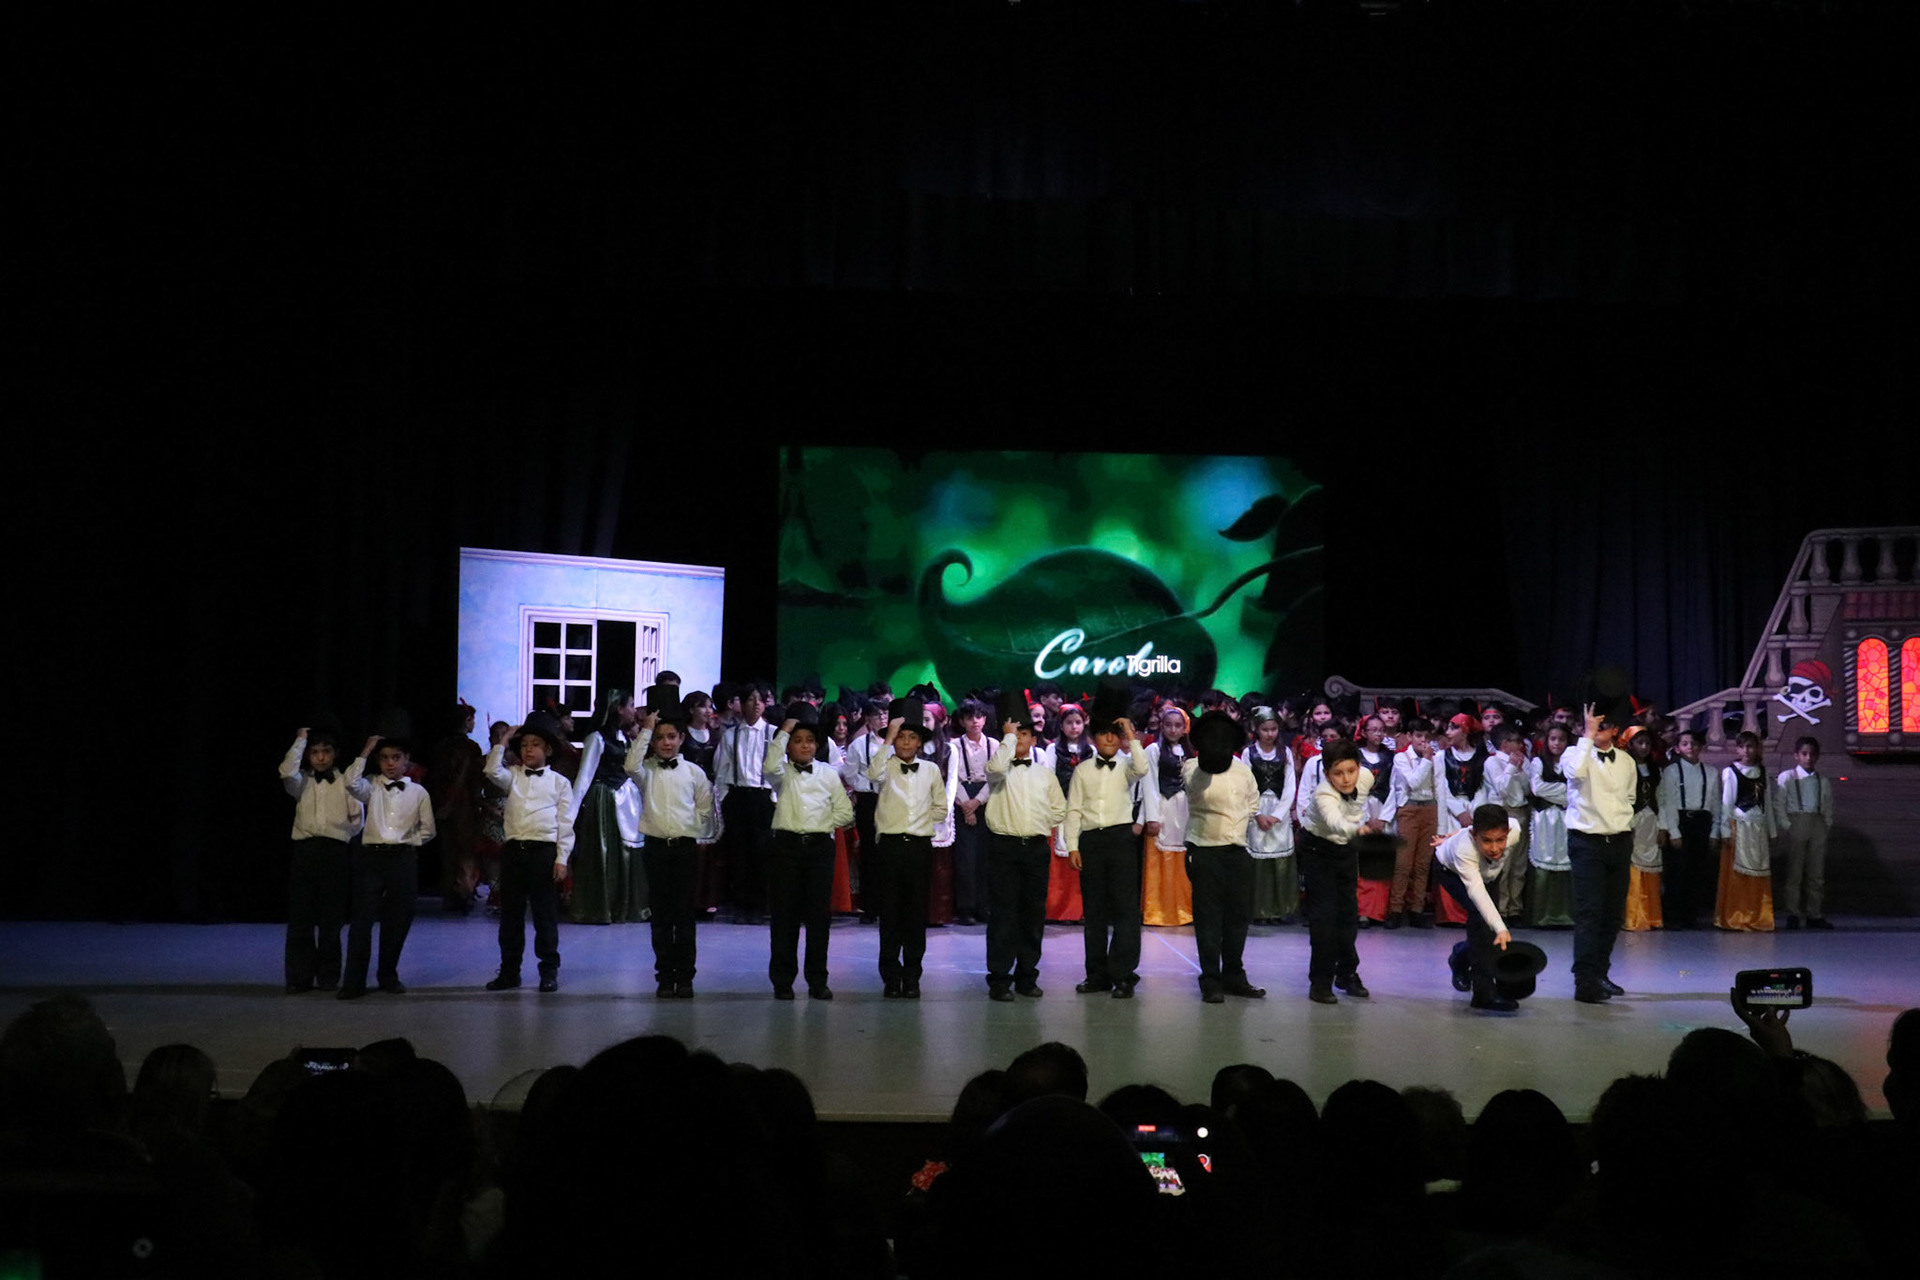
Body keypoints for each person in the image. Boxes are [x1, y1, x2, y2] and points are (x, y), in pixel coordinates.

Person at [624, 702, 716, 997]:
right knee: (661, 917)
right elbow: (630, 766)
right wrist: (646, 730)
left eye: (672, 736)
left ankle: (685, 976)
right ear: (653, 742)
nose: (666, 742)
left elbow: (704, 808)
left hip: (684, 849)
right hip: (655, 849)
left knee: (684, 916)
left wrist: (692, 831)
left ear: (682, 739)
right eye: (660, 737)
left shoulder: (694, 773)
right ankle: (664, 975)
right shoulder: (646, 771)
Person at [763, 704, 854, 999]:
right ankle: (783, 981)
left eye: (810, 741)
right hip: (786, 846)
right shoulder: (782, 774)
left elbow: (845, 812)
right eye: (798, 741)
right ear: (789, 746)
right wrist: (784, 731)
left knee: (818, 917)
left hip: (819, 848)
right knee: (784, 916)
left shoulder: (827, 774)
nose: (805, 746)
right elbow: (768, 766)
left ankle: (817, 980)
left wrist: (820, 822)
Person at [481, 711, 574, 993]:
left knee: (545, 916)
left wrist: (561, 859)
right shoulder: (513, 776)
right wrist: (503, 741)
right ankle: (509, 972)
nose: (528, 750)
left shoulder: (559, 783)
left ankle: (548, 971)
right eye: (524, 745)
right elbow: (491, 771)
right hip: (514, 852)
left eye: (535, 745)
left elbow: (565, 824)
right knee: (510, 917)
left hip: (543, 853)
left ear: (548, 750)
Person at [982, 701, 1067, 1001]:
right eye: (1014, 734)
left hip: (1034, 849)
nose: (1019, 739)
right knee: (1003, 915)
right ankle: (999, 979)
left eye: (1024, 734)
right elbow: (995, 767)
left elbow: (1059, 809)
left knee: (1032, 915)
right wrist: (1007, 737)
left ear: (1033, 738)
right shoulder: (998, 771)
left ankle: (1027, 976)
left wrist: (1037, 823)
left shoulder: (1044, 774)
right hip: (1004, 848)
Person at [340, 737, 436, 998]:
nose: (390, 763)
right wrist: (366, 750)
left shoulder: (418, 792)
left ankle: (388, 976)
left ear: (406, 760)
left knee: (397, 921)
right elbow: (349, 782)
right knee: (361, 922)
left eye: (396, 758)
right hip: (371, 858)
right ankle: (354, 982)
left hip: (402, 859)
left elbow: (428, 829)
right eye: (384, 758)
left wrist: (407, 842)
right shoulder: (371, 786)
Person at [1066, 699, 1149, 997]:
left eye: (1115, 734)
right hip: (1091, 841)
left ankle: (1123, 974)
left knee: (1126, 910)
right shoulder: (1082, 770)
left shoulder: (1127, 766)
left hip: (1121, 839)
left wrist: (1131, 735)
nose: (1111, 739)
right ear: (1093, 738)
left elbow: (1143, 767)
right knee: (1095, 912)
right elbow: (1074, 809)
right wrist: (1072, 845)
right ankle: (1097, 974)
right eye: (1104, 734)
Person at [1184, 709, 1265, 1004]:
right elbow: (1196, 790)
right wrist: (1210, 761)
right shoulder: (1193, 767)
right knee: (1208, 919)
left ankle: (1234, 975)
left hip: (1237, 850)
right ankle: (1210, 979)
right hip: (1205, 850)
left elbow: (1253, 801)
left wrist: (1244, 821)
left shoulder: (1243, 770)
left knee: (1237, 918)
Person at [868, 696, 947, 998]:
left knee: (915, 914)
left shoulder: (930, 770)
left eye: (911, 737)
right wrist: (887, 738)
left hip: (918, 847)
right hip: (889, 847)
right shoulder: (885, 765)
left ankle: (912, 976)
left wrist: (919, 820)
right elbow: (872, 775)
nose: (905, 742)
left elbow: (941, 808)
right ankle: (890, 977)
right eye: (900, 736)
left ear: (920, 742)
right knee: (890, 914)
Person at [277, 728, 365, 993]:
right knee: (300, 917)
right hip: (304, 851)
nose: (321, 758)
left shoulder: (345, 783)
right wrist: (300, 741)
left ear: (335, 754)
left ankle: (328, 975)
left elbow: (357, 821)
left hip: (335, 851)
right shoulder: (300, 782)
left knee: (331, 917)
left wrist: (338, 835)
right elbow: (286, 771)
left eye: (326, 752)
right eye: (315, 752)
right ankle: (299, 978)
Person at [1298, 739, 1383, 1004]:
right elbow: (1336, 823)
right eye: (1338, 773)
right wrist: (1358, 830)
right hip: (1317, 849)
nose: (1346, 779)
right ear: (1326, 774)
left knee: (1348, 915)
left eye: (1351, 770)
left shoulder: (1366, 777)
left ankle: (1346, 974)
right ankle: (1320, 982)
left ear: (1359, 767)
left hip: (1346, 849)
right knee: (1323, 918)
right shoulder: (1323, 795)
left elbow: (1355, 808)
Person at [1563, 701, 1637, 1002]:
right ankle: (1583, 980)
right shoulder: (1575, 753)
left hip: (1619, 841)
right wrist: (1588, 735)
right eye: (1591, 723)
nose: (1596, 728)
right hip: (1586, 841)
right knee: (1589, 913)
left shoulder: (1626, 761)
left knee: (1612, 914)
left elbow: (1629, 797)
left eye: (1602, 724)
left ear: (1615, 729)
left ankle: (1600, 973)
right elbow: (1574, 772)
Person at [1431, 804, 1523, 1012]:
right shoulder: (1464, 850)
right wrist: (1501, 928)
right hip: (1451, 872)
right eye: (1487, 841)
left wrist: (1456, 833)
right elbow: (1476, 891)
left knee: (1486, 927)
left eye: (1500, 840)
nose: (1495, 848)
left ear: (1508, 833)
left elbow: (1481, 829)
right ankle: (1483, 994)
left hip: (1489, 874)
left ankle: (1461, 955)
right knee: (1481, 918)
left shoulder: (1515, 830)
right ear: (1474, 837)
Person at [712, 682, 777, 922]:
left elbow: (780, 770)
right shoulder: (731, 734)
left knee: (762, 853)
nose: (756, 704)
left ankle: (760, 906)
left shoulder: (773, 733)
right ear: (742, 703)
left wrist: (775, 799)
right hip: (739, 796)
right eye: (751, 699)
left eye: (761, 699)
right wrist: (724, 798)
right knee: (739, 853)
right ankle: (741, 905)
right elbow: (722, 769)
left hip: (763, 797)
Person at [1714, 731, 1778, 932]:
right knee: (1738, 873)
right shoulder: (1731, 772)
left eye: (1750, 746)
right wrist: (1725, 830)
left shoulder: (1763, 772)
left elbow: (1767, 803)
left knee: (1758, 871)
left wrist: (1772, 831)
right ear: (1737, 749)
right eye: (1742, 747)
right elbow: (1727, 803)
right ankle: (1737, 915)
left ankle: (1756, 915)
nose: (1747, 751)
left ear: (1757, 748)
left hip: (1758, 827)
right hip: (1740, 826)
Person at [1657, 727, 1719, 930]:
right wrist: (1673, 831)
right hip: (1681, 821)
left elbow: (1715, 803)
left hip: (1702, 821)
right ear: (1677, 748)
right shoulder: (1672, 771)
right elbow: (1667, 802)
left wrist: (1715, 831)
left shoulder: (1710, 772)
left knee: (1697, 870)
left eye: (1694, 743)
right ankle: (1673, 916)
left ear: (1701, 747)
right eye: (1685, 744)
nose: (1690, 747)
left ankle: (1691, 916)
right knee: (1676, 871)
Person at [1242, 706, 1299, 923]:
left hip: (1278, 811)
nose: (1269, 734)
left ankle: (1279, 910)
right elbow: (1246, 785)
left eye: (1273, 729)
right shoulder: (1249, 753)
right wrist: (1257, 814)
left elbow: (1290, 786)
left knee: (1279, 858)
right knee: (1258, 858)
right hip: (1256, 810)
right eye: (1265, 729)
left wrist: (1277, 815)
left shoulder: (1285, 753)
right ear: (1256, 729)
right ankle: (1259, 910)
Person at [1140, 704, 1195, 927]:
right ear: (1161, 726)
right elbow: (1149, 784)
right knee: (1160, 859)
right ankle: (1158, 911)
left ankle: (1183, 910)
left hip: (1184, 810)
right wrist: (1151, 818)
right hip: (1163, 806)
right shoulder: (1153, 750)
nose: (1173, 730)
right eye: (1169, 725)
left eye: (1178, 726)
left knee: (1183, 859)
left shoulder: (1190, 753)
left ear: (1184, 728)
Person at [1777, 736, 1835, 930]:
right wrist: (1787, 825)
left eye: (1812, 754)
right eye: (1804, 753)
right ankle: (1793, 913)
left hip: (1817, 823)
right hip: (1797, 821)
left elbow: (1827, 805)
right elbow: (1779, 803)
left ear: (1817, 756)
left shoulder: (1822, 780)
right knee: (1795, 872)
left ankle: (1814, 914)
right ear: (1796, 755)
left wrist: (1825, 825)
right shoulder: (1787, 777)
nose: (1808, 758)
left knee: (1816, 873)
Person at [947, 698, 997, 926]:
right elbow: (952, 778)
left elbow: (996, 777)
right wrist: (967, 806)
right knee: (965, 859)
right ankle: (965, 907)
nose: (975, 721)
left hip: (986, 799)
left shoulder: (994, 745)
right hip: (962, 798)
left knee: (985, 857)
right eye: (969, 718)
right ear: (962, 721)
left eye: (979, 716)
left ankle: (983, 906)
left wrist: (978, 801)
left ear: (985, 719)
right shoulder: (954, 746)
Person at [1388, 717, 1440, 928]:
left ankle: (1417, 908)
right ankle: (1396, 909)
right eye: (1419, 736)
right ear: (1409, 736)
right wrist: (1426, 761)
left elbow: (1439, 786)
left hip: (1430, 808)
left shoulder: (1437, 758)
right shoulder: (1401, 758)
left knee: (1423, 863)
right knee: (1403, 862)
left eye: (1427, 737)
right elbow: (1413, 782)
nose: (1423, 741)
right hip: (1409, 809)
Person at [842, 698, 890, 923]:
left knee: (889, 853)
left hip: (892, 801)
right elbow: (850, 774)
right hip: (869, 800)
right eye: (877, 715)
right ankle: (870, 907)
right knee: (869, 853)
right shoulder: (858, 745)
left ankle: (889, 905)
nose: (882, 718)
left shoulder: (897, 743)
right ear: (868, 720)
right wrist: (867, 785)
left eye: (885, 714)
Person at [1482, 726, 1532, 925]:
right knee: (1503, 863)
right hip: (1503, 814)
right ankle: (1501, 909)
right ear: (1504, 744)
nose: (1520, 745)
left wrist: (1520, 770)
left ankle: (1515, 908)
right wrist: (1511, 767)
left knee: (1519, 864)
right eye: (1516, 741)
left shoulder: (1523, 760)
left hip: (1521, 812)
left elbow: (1528, 789)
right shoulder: (1492, 761)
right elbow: (1501, 789)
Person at [1526, 723, 1575, 928]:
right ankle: (1540, 916)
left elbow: (1577, 790)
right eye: (1553, 739)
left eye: (1561, 739)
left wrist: (1563, 793)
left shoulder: (1573, 763)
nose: (1557, 743)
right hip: (1544, 819)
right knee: (1543, 858)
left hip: (1566, 820)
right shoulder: (1538, 762)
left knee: (1565, 859)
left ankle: (1564, 915)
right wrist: (1564, 792)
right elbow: (1537, 788)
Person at [1622, 727, 1664, 931]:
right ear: (1631, 744)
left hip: (1651, 820)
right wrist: (1626, 824)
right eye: (1640, 743)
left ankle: (1651, 914)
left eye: (1647, 743)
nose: (1644, 747)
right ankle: (1634, 916)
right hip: (1634, 820)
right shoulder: (1625, 767)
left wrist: (1663, 826)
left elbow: (1662, 797)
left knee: (1651, 864)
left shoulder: (1655, 769)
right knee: (1634, 866)